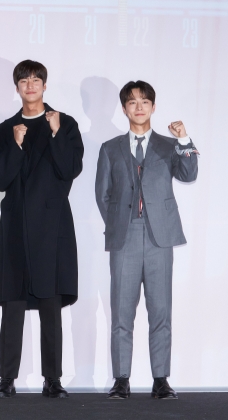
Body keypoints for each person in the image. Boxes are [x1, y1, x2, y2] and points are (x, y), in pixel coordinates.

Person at [0, 60, 83, 398]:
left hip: (52, 225)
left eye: (36, 79)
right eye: (24, 80)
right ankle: (7, 380)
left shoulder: (64, 123)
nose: (30, 84)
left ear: (44, 85)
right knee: (12, 306)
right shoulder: (4, 130)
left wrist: (55, 134)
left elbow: (71, 168)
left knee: (50, 306)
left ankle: (52, 380)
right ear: (16, 87)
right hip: (15, 226)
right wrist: (15, 144)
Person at [95, 81, 198, 400]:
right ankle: (121, 379)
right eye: (131, 102)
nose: (138, 107)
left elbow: (189, 173)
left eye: (144, 101)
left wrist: (183, 138)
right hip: (125, 236)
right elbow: (102, 194)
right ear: (123, 109)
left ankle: (161, 379)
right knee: (121, 312)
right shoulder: (110, 147)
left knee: (160, 310)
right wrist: (118, 225)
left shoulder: (169, 145)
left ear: (153, 106)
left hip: (159, 237)